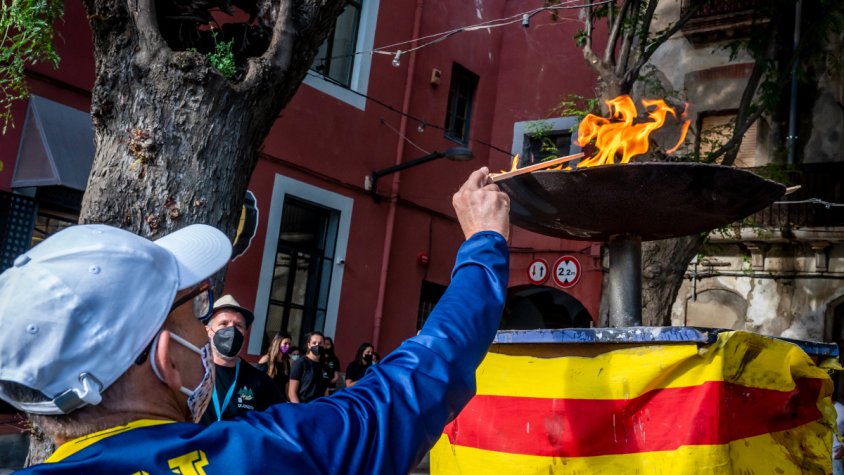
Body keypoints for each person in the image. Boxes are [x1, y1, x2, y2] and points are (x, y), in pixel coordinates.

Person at [0, 166, 509, 473]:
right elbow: (416, 383)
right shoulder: (259, 457)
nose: (209, 331)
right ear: (163, 360)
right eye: (195, 313)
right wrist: (484, 243)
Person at [199, 295, 284, 423]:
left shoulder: (260, 381)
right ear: (208, 331)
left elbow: (281, 419)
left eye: (238, 325)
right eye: (223, 323)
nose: (231, 330)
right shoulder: (191, 372)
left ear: (244, 334)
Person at [288, 331, 330, 403]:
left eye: (320, 343)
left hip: (318, 408)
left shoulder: (325, 367)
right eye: (314, 343)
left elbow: (325, 391)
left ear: (324, 345)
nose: (317, 345)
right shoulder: (300, 363)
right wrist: (299, 409)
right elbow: (292, 393)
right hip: (303, 407)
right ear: (309, 345)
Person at [258, 332, 293, 398]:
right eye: (285, 343)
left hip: (280, 398)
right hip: (266, 397)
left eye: (289, 344)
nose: (288, 346)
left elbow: (286, 385)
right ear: (278, 343)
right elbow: (258, 380)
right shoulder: (266, 359)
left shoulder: (286, 362)